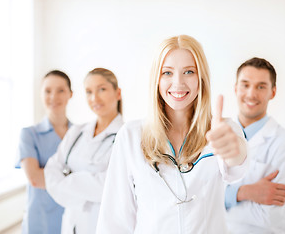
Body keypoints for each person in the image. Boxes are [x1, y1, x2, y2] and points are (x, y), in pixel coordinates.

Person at [96, 35, 248, 234]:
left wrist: (233, 151)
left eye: (189, 72)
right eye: (167, 73)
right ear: (156, 79)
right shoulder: (130, 136)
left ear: (201, 78)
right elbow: (115, 220)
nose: (178, 83)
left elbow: (237, 166)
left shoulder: (223, 130)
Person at [225, 57, 285, 233]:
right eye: (245, 84)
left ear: (272, 92)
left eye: (261, 86)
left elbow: (271, 216)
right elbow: (199, 198)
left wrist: (222, 199)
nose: (251, 94)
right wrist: (243, 192)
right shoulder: (216, 135)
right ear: (236, 88)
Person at [44, 68, 123, 234]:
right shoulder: (76, 132)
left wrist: (67, 180)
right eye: (89, 92)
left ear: (117, 93)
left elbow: (111, 185)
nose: (94, 98)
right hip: (71, 224)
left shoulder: (128, 136)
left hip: (105, 226)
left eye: (102, 89)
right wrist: (87, 187)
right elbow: (51, 170)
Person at [15, 70, 73, 234]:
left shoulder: (80, 134)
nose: (53, 97)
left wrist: (50, 175)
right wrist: (74, 179)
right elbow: (35, 178)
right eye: (47, 91)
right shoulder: (29, 134)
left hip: (73, 217)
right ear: (41, 94)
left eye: (60, 90)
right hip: (40, 221)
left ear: (70, 94)